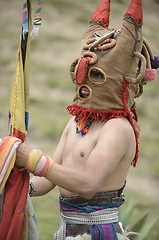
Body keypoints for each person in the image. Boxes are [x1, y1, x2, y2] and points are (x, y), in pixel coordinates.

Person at [15, 0, 159, 239]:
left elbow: (86, 184)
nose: (84, 82)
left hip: (98, 232)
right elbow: (50, 179)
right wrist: (21, 187)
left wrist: (33, 159)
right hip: (67, 230)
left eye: (96, 75)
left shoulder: (118, 128)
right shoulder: (76, 122)